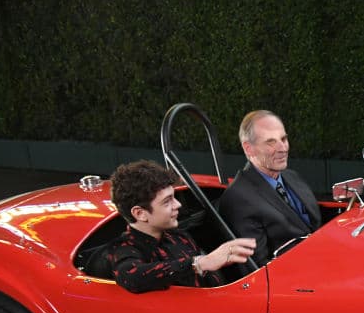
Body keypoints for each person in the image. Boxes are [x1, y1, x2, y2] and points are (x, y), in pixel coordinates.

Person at [107, 160, 255, 293]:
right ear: (140, 213)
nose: (178, 205)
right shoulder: (123, 249)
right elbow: (132, 277)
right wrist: (199, 264)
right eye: (167, 201)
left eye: (174, 198)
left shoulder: (178, 236)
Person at [219, 110, 323, 267]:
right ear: (249, 149)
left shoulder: (291, 176)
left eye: (283, 139)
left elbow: (314, 226)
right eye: (271, 142)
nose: (283, 148)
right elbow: (260, 270)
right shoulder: (238, 199)